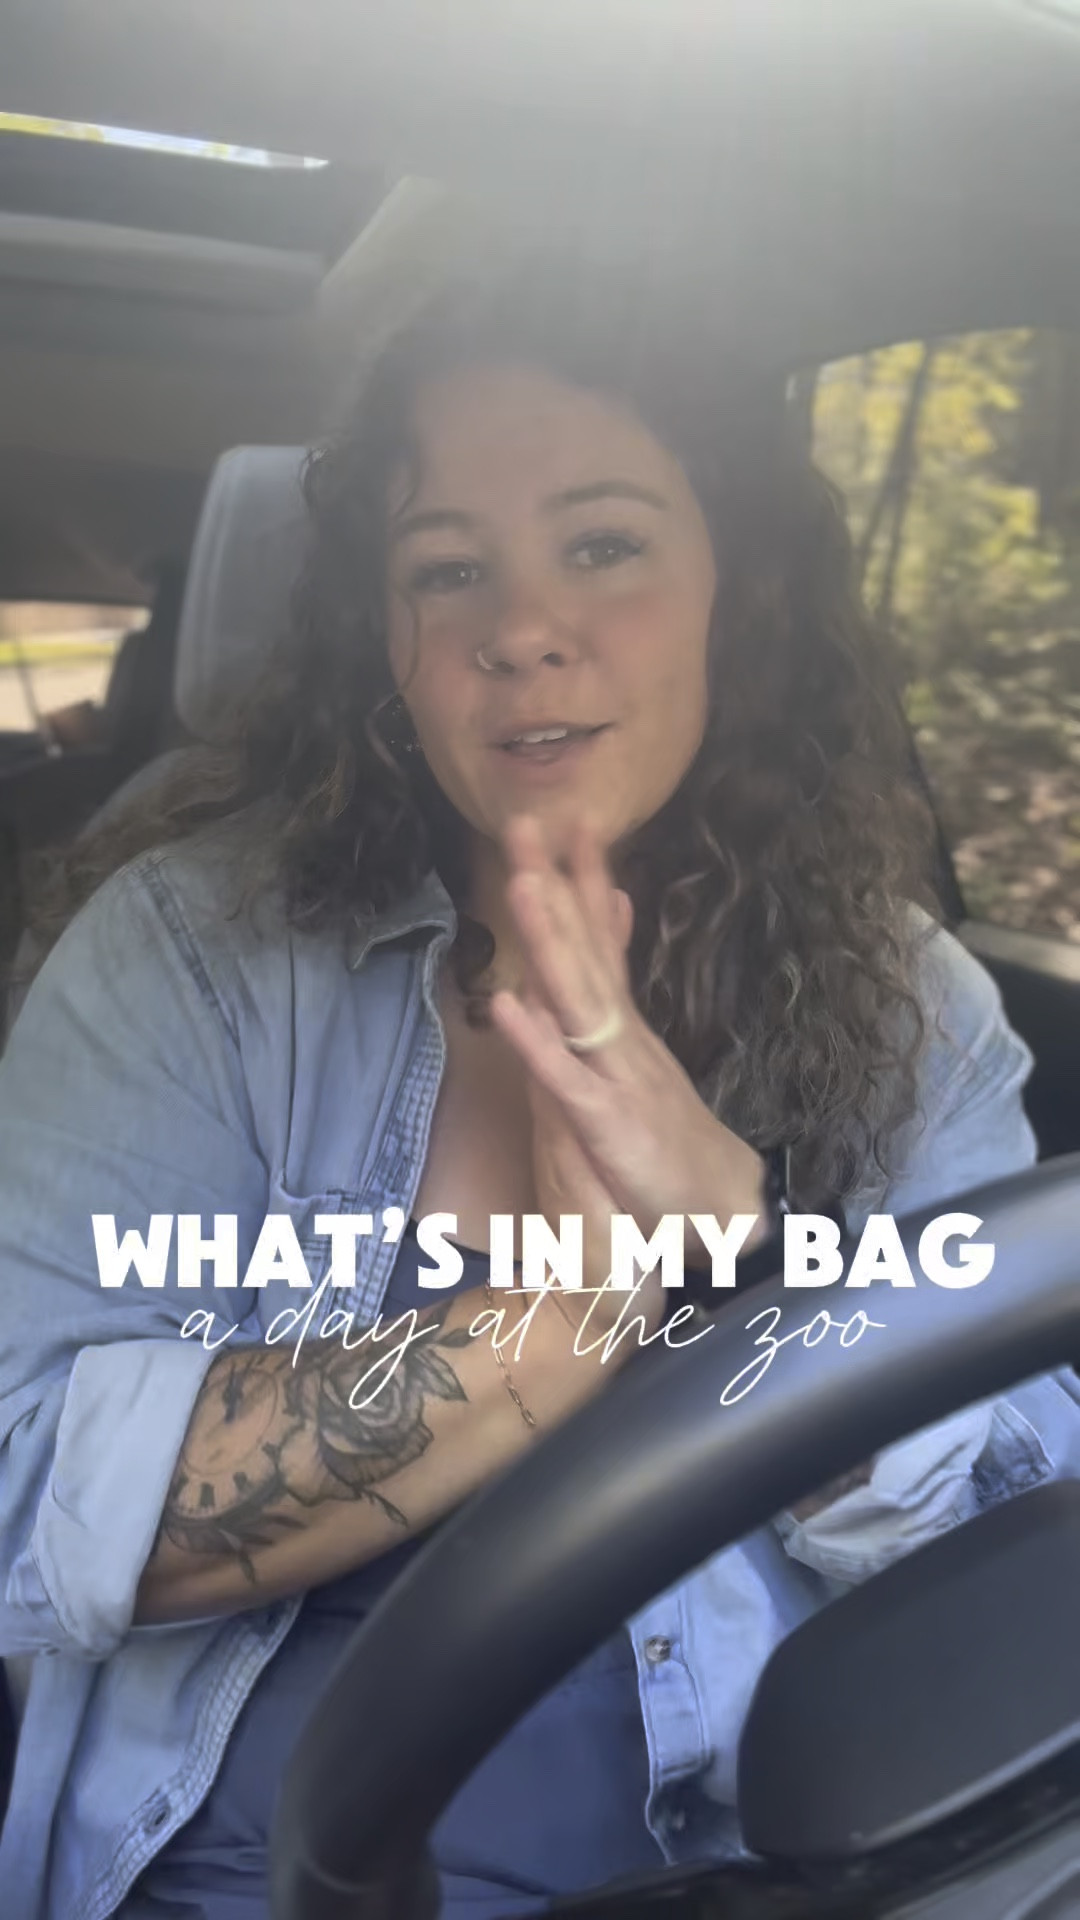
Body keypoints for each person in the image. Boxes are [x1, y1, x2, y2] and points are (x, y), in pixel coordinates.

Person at [1, 251, 1078, 1920]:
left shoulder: (914, 1008)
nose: (518, 632)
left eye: (603, 544)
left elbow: (1016, 1573)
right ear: (386, 643)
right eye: (447, 570)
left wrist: (754, 1275)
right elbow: (21, 1486)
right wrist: (555, 1332)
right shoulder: (195, 956)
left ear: (738, 588)